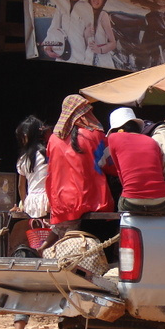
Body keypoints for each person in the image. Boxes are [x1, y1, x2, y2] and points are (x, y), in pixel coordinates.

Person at [41, 95, 115, 252]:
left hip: (62, 205)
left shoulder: (53, 139)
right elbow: (110, 165)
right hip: (93, 202)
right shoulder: (95, 135)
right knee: (96, 253)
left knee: (67, 254)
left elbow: (50, 172)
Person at [12, 115, 50, 329]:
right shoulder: (49, 153)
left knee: (25, 277)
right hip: (51, 207)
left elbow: (21, 187)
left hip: (31, 209)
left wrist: (24, 204)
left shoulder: (23, 158)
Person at [106, 107, 165, 215]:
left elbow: (119, 171)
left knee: (122, 211)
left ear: (117, 129)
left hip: (132, 201)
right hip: (161, 201)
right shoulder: (151, 141)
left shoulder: (113, 138)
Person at [42, 0, 91, 65]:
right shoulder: (62, 3)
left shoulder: (88, 8)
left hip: (80, 60)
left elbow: (89, 39)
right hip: (61, 57)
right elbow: (53, 28)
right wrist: (47, 47)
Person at [84, 0, 117, 69]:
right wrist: (86, 33)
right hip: (87, 58)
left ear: (104, 1)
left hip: (103, 61)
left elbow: (113, 43)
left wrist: (100, 50)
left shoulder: (103, 15)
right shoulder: (84, 13)